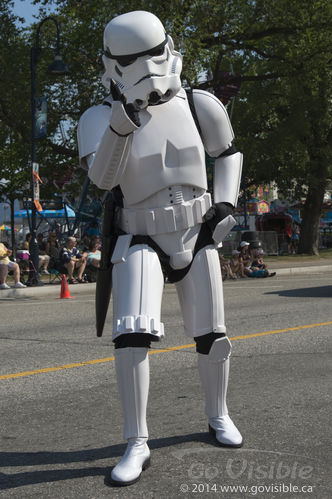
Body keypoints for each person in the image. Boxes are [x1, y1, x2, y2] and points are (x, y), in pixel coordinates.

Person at [78, 10, 243, 486]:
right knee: (132, 335)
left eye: (154, 52)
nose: (149, 66)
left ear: (169, 48)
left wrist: (227, 204)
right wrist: (123, 124)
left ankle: (218, 415)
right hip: (140, 234)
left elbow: (227, 153)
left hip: (198, 230)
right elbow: (103, 178)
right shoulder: (97, 119)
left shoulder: (199, 103)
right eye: (134, 58)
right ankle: (136, 440)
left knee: (213, 334)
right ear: (112, 64)